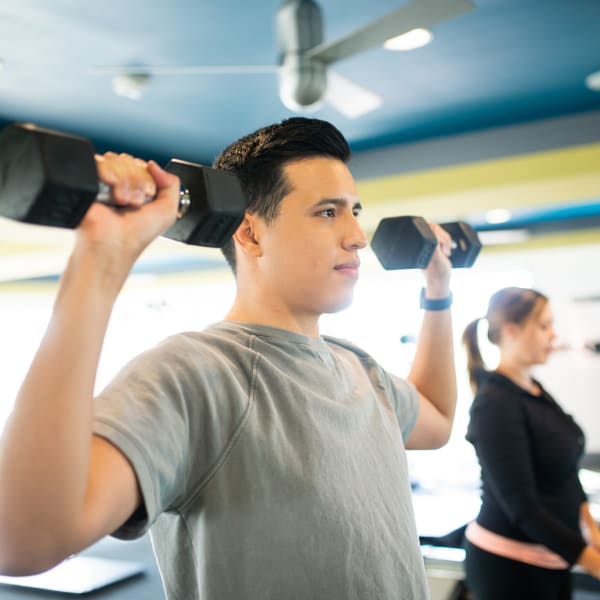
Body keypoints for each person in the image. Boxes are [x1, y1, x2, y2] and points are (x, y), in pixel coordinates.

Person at [0, 117, 457, 599]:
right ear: (251, 234)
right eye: (328, 212)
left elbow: (439, 418)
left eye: (354, 211)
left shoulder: (363, 371)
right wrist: (102, 256)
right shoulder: (196, 374)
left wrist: (439, 291)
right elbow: (23, 541)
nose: (357, 235)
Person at [462, 286, 600, 600]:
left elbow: (567, 470)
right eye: (544, 326)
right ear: (512, 330)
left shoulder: (532, 388)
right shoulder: (494, 404)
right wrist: (593, 563)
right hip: (509, 566)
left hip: (554, 558)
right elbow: (522, 507)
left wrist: (592, 531)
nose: (553, 335)